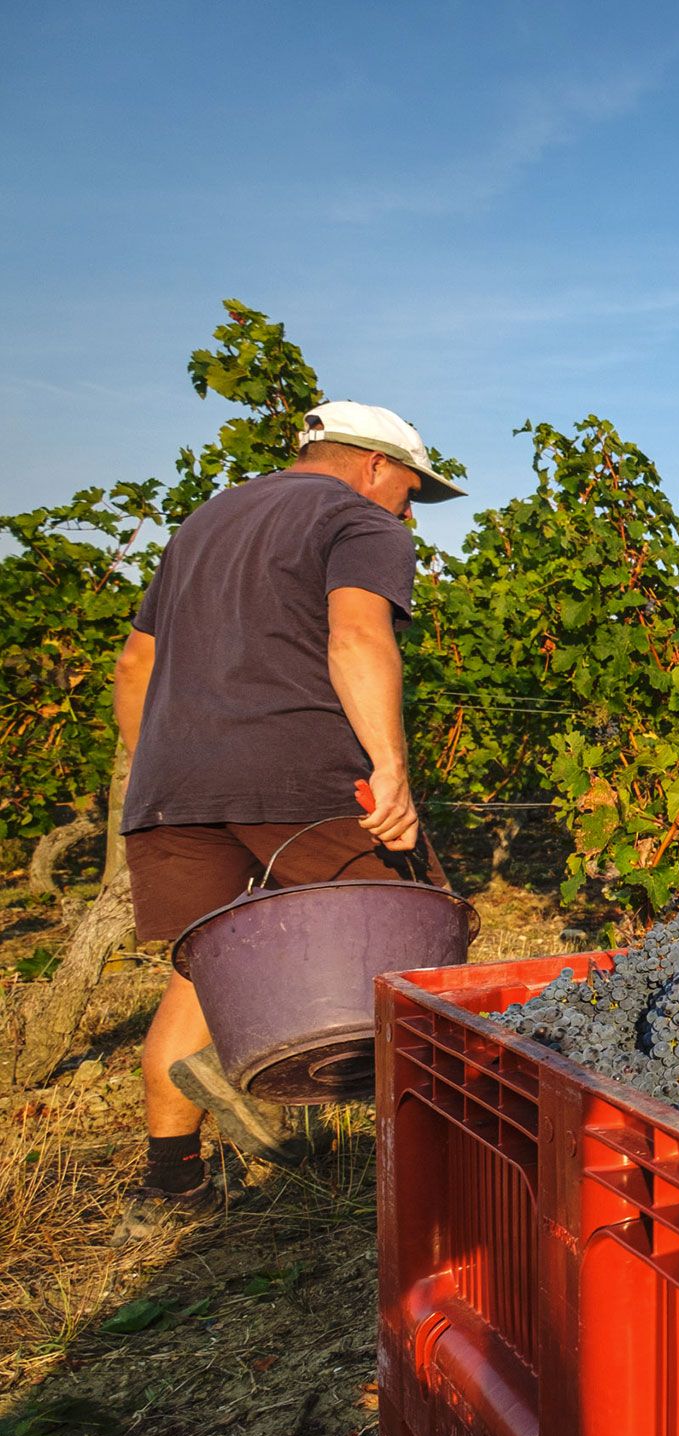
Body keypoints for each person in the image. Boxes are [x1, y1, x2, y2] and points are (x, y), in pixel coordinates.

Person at [108, 401, 465, 1242]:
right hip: (303, 777)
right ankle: (435, 1191)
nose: (410, 511)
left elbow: (136, 665)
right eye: (412, 490)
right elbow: (355, 640)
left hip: (171, 786)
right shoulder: (355, 516)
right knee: (415, 954)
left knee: (210, 966)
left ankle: (171, 1189)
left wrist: (172, 769)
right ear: (376, 465)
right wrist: (390, 773)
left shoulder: (204, 522)